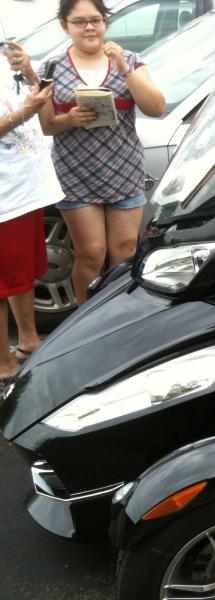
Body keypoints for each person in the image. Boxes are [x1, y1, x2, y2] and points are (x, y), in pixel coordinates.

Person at [38, 0, 165, 305]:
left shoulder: (130, 59)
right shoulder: (52, 67)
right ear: (64, 26)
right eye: (79, 22)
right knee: (91, 252)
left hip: (123, 167)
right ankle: (85, 322)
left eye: (96, 20)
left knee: (125, 250)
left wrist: (123, 70)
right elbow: (46, 125)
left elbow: (156, 107)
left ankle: (119, 316)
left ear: (106, 22)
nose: (89, 27)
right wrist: (69, 119)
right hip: (76, 171)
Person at [0, 41, 63, 387]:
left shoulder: (3, 56)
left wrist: (27, 72)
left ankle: (28, 341)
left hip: (26, 189)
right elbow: (23, 112)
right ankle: (3, 364)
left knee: (21, 276)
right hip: (4, 197)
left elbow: (32, 99)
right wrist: (26, 112)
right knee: (2, 282)